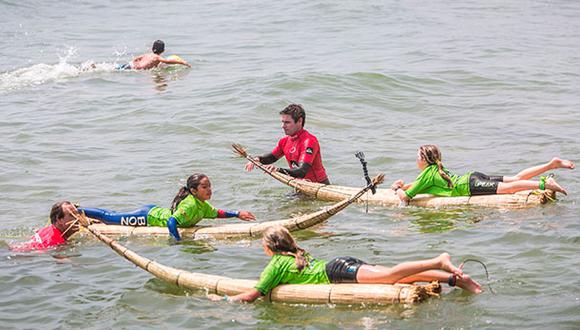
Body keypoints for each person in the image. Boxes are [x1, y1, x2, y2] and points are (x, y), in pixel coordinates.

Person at [207, 226, 482, 303]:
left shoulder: (276, 264)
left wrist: (224, 301)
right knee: (398, 278)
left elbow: (255, 294)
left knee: (390, 275)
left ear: (268, 248)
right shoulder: (295, 254)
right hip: (340, 264)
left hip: (338, 272)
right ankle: (456, 279)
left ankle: (438, 260)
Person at [78, 173, 255, 241]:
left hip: (154, 210)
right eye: (205, 187)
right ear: (193, 191)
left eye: (209, 186)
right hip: (147, 217)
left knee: (110, 218)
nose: (209, 190)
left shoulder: (202, 204)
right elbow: (171, 221)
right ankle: (77, 209)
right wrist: (176, 240)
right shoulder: (190, 205)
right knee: (110, 217)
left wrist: (238, 213)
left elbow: (217, 213)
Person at [390, 145, 574, 205]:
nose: (415, 160)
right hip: (473, 176)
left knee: (510, 189)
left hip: (470, 186)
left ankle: (544, 183)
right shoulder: (435, 170)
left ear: (423, 160)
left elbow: (405, 197)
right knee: (517, 178)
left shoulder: (427, 174)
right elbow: (418, 186)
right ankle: (552, 165)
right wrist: (403, 185)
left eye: (417, 157)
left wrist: (397, 189)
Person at [244, 104, 330, 184]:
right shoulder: (284, 141)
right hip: (300, 186)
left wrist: (278, 169)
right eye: (282, 122)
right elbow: (270, 158)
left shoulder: (309, 141)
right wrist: (257, 159)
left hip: (319, 186)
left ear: (300, 121)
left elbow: (302, 171)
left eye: (287, 122)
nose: (283, 126)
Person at [10, 201, 80, 252]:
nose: (78, 218)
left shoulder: (48, 229)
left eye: (77, 214)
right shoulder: (58, 242)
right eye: (72, 215)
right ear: (59, 220)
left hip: (15, 248)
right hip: (20, 255)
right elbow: (61, 260)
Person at [117, 40, 191, 70]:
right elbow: (167, 61)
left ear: (152, 48)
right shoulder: (157, 57)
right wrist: (183, 62)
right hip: (135, 69)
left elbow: (136, 59)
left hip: (130, 65)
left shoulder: (147, 55)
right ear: (163, 51)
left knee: (117, 68)